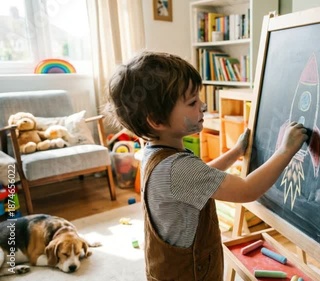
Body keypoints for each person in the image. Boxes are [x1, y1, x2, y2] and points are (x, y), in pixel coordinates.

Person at [105, 51, 308, 281]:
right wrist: (286, 150)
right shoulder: (179, 169)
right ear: (157, 121)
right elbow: (247, 189)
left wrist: (236, 153)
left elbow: (204, 175)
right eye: (192, 102)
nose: (202, 105)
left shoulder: (155, 154)